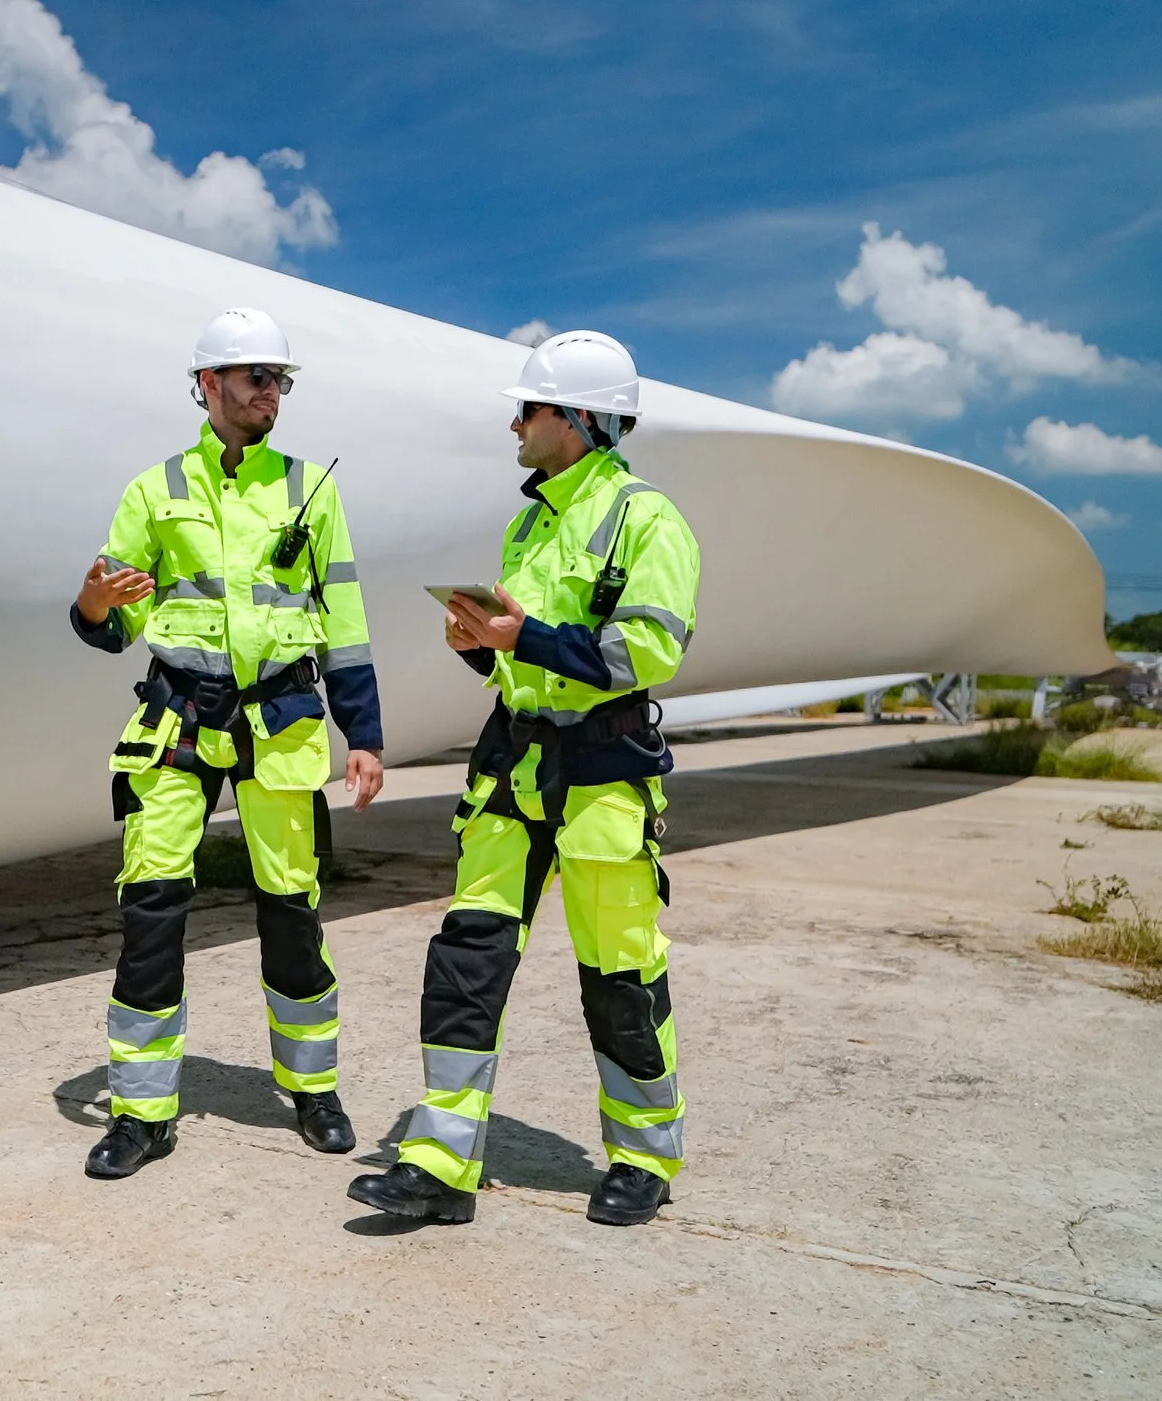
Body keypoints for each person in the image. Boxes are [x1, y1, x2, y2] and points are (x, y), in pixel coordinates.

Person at [347, 329, 699, 1226]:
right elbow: (524, 662)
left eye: (529, 409)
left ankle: (643, 1158)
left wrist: (526, 637)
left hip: (603, 771)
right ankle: (440, 1164)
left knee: (620, 974)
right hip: (514, 762)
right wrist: (483, 648)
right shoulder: (530, 522)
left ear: (578, 419)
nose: (515, 424)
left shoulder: (648, 520)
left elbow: (648, 650)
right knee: (467, 960)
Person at [70, 307, 385, 1180]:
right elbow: (111, 619)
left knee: (292, 914)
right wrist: (94, 605)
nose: (270, 392)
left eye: (279, 380)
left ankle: (312, 1090)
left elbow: (345, 621)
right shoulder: (154, 491)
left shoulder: (311, 491)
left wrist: (363, 734)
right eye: (256, 377)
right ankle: (141, 1114)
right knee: (151, 911)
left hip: (280, 722)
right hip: (177, 719)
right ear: (208, 384)